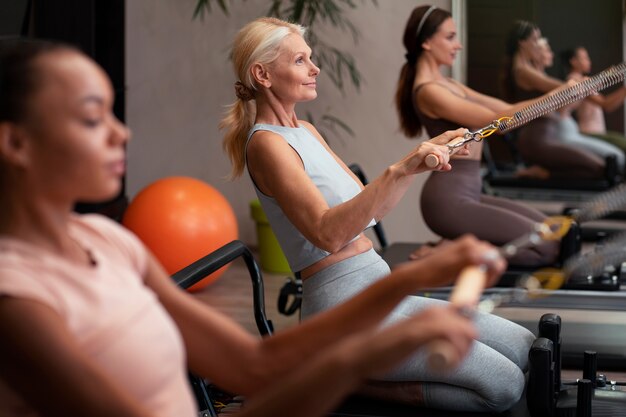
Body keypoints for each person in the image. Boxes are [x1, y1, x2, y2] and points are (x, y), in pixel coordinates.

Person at [0, 39, 503, 417]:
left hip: (363, 278)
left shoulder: (108, 240)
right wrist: (356, 359)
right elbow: (327, 235)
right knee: (499, 382)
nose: (121, 132)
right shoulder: (18, 300)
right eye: (92, 119)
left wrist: (410, 281)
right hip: (338, 287)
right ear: (16, 143)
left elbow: (253, 368)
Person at [221, 17, 535, 412]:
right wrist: (402, 169)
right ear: (262, 74)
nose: (315, 68)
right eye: (301, 60)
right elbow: (327, 233)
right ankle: (347, 377)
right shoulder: (266, 145)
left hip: (379, 287)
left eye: (311, 58)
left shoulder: (306, 131)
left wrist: (421, 156)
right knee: (502, 385)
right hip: (342, 308)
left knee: (524, 348)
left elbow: (365, 205)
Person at [395, 5, 559, 267]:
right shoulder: (429, 91)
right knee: (546, 249)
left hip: (469, 192)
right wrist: (555, 96)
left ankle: (455, 246)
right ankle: (452, 255)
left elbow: (504, 110)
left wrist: (560, 94)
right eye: (450, 37)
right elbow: (498, 122)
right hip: (448, 201)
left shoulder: (448, 84)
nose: (458, 45)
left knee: (554, 234)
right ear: (426, 42)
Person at [500, 20, 624, 178]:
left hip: (548, 134)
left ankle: (543, 171)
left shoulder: (527, 70)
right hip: (539, 138)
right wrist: (606, 77)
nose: (538, 44)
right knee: (601, 167)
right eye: (535, 39)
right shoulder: (523, 71)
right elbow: (563, 88)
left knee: (604, 166)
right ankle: (541, 172)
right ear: (522, 43)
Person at [563, 45, 626, 153]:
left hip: (596, 132)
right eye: (585, 58)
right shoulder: (574, 81)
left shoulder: (583, 80)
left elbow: (607, 103)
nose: (589, 61)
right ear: (573, 61)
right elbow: (606, 104)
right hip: (589, 133)